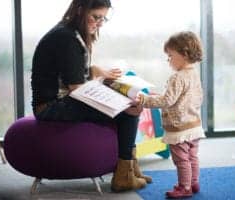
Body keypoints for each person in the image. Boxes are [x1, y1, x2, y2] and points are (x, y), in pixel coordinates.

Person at [31, 0, 152, 192]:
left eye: (103, 19)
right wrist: (111, 97)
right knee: (130, 108)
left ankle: (129, 168)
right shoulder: (67, 38)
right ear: (80, 10)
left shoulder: (68, 33)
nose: (99, 23)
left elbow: (69, 73)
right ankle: (124, 174)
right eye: (96, 17)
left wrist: (96, 71)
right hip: (51, 107)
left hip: (57, 100)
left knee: (128, 103)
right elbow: (76, 89)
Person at [136, 31, 206, 198]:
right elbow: (183, 97)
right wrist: (157, 96)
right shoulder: (194, 73)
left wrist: (144, 100)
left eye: (170, 56)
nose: (168, 60)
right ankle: (193, 182)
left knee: (181, 160)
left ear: (184, 54)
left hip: (179, 128)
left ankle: (184, 187)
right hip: (193, 125)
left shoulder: (177, 77)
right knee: (192, 157)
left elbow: (167, 101)